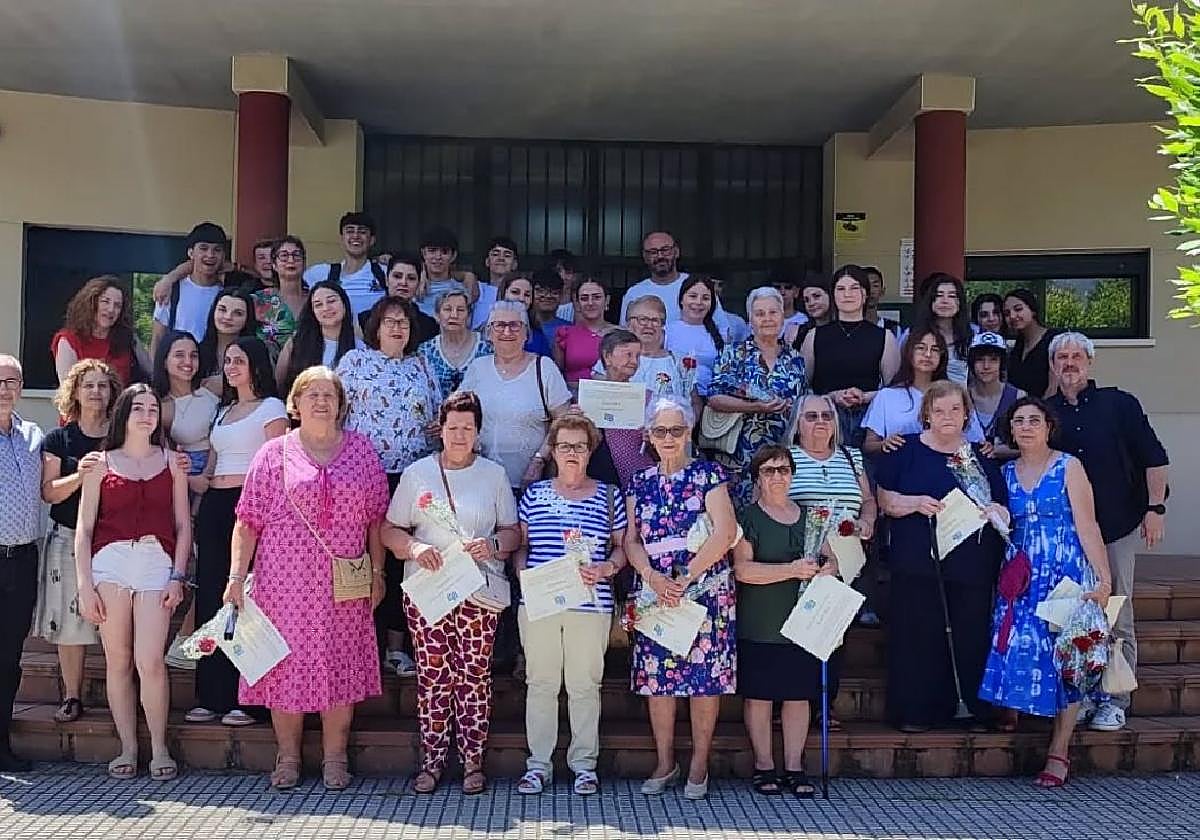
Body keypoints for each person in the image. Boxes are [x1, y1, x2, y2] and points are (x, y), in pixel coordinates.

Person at [224, 366, 390, 791]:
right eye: (310, 394)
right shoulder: (272, 454)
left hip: (345, 582)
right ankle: (289, 756)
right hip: (284, 584)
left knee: (340, 663)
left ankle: (336, 758)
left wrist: (377, 571)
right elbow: (247, 522)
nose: (320, 401)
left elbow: (376, 520)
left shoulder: (362, 451)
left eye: (329, 395)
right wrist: (236, 577)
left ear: (340, 405)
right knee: (284, 668)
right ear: (295, 406)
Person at [383, 392, 521, 795]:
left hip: (477, 590)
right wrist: (413, 548)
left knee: (474, 676)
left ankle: (473, 761)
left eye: (468, 427)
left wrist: (494, 545)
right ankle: (432, 762)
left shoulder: (493, 475)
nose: (460, 435)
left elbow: (513, 532)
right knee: (433, 678)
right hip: (429, 590)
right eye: (453, 427)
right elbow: (389, 529)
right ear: (440, 430)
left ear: (478, 432)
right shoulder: (417, 474)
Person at [978, 397, 1113, 787]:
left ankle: (1059, 749)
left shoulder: (1068, 466)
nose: (1026, 426)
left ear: (1049, 426)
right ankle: (1014, 708)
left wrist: (1103, 580)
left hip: (1065, 571)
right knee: (1019, 643)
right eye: (1018, 420)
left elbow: (1087, 525)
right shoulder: (1003, 472)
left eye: (1034, 420)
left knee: (1067, 654)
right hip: (1021, 574)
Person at [1048, 332, 1169, 732]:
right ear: (1053, 365)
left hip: (1117, 526)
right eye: (1061, 356)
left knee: (1116, 615)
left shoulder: (1120, 405)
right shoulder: (1044, 413)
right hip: (1068, 536)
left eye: (1076, 356)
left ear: (1090, 361)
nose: (1069, 363)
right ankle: (1081, 696)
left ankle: (1115, 699)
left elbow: (1154, 458)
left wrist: (1155, 509)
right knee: (1072, 616)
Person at [874, 381, 1009, 731]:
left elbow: (1002, 506)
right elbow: (884, 500)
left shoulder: (980, 457)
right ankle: (915, 711)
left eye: (955, 409)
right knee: (917, 634)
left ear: (966, 414)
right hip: (918, 560)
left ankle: (972, 710)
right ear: (927, 415)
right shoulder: (904, 451)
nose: (947, 416)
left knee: (971, 633)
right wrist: (916, 503)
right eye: (939, 410)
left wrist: (993, 511)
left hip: (971, 563)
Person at [75, 384, 191, 780]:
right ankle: (128, 747)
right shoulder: (99, 464)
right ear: (124, 413)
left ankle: (159, 749)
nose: (146, 414)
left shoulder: (174, 462)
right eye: (138, 407)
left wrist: (178, 575)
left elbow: (182, 525)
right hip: (110, 563)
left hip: (157, 563)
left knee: (151, 660)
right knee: (119, 661)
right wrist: (84, 584)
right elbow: (84, 529)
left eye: (153, 408)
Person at [625, 396, 738, 800]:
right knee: (660, 682)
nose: (668, 438)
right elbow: (631, 540)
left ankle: (699, 764)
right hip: (657, 592)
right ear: (649, 436)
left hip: (704, 590)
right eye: (660, 431)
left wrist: (686, 577)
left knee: (703, 680)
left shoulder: (709, 474)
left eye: (676, 430)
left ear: (688, 433)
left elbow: (725, 531)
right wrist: (653, 577)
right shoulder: (639, 482)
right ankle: (664, 761)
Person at [513, 415, 627, 796]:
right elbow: (523, 548)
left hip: (590, 604)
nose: (572, 453)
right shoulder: (533, 494)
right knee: (541, 684)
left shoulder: (609, 495)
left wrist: (608, 567)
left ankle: (584, 765)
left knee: (584, 686)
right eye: (565, 446)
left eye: (580, 446)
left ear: (590, 450)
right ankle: (538, 765)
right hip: (540, 603)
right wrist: (523, 575)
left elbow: (622, 549)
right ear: (554, 451)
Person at [339, 296, 442, 676]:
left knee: (401, 561)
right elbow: (335, 413)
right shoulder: (354, 362)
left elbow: (436, 417)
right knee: (363, 556)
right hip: (361, 474)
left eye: (403, 322)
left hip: (410, 477)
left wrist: (436, 428)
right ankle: (361, 644)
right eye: (389, 322)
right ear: (376, 328)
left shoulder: (422, 366)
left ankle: (397, 648)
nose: (397, 328)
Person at [187, 338, 287, 727]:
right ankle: (212, 695)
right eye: (227, 360)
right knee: (212, 596)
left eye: (239, 360)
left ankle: (250, 699)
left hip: (252, 510)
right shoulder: (223, 410)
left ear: (256, 365)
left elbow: (279, 467)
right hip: (215, 507)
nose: (231, 367)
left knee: (249, 600)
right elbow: (212, 467)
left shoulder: (272, 408)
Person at [733, 445, 837, 797]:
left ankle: (794, 766)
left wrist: (824, 570)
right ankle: (764, 765)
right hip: (761, 620)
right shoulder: (747, 517)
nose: (777, 476)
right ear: (758, 478)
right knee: (760, 697)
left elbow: (832, 560)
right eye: (769, 471)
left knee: (798, 696)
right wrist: (791, 570)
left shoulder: (811, 516)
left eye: (783, 469)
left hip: (804, 625)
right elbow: (743, 569)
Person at [35, 360, 119, 724]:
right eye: (89, 386)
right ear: (75, 391)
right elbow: (49, 493)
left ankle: (125, 697)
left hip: (114, 540)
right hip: (67, 537)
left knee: (118, 621)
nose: (96, 392)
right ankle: (71, 695)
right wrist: (80, 476)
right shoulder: (59, 439)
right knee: (69, 624)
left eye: (103, 386)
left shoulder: (120, 435)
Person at [786, 392, 878, 695]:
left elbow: (867, 500)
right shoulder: (785, 458)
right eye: (811, 416)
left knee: (834, 630)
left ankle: (826, 704)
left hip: (845, 558)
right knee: (799, 632)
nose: (820, 422)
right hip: (801, 560)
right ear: (798, 423)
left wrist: (866, 523)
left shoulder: (851, 457)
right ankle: (795, 701)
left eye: (827, 416)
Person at [708, 286, 809, 506]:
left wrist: (791, 406)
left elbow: (803, 402)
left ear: (783, 317)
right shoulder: (733, 354)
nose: (767, 319)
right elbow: (714, 398)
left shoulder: (795, 359)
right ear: (750, 320)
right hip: (740, 457)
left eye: (773, 312)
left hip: (783, 456)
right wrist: (756, 407)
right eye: (760, 314)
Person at [460, 302, 572, 491]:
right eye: (499, 325)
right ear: (489, 332)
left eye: (514, 325)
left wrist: (539, 460)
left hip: (531, 481)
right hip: (481, 480)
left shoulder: (544, 368)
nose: (506, 331)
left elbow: (564, 419)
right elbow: (461, 413)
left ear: (526, 333)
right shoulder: (477, 368)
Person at [799, 265, 900, 447]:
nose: (848, 294)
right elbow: (802, 386)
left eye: (854, 288)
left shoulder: (885, 337)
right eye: (841, 289)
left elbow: (893, 390)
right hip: (826, 417)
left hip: (869, 418)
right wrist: (832, 396)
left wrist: (864, 396)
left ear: (865, 294)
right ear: (833, 295)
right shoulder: (814, 336)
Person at [0, 355, 42, 772]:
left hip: (23, 558)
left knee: (10, 655)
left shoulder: (33, 436)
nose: (5, 389)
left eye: (13, 381)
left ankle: (2, 743)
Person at [861, 328, 985, 458]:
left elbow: (976, 441)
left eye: (935, 349)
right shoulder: (886, 396)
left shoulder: (956, 395)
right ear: (909, 352)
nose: (928, 354)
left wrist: (986, 447)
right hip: (902, 469)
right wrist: (884, 444)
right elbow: (868, 445)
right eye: (921, 348)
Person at [585, 330, 656, 489]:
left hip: (639, 478)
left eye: (637, 356)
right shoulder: (589, 395)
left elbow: (657, 449)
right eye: (628, 354)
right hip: (600, 478)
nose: (634, 361)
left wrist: (653, 438)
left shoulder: (648, 398)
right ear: (607, 357)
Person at [151, 222, 229, 358]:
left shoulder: (228, 294)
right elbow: (158, 338)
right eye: (203, 248)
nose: (210, 255)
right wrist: (155, 375)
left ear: (223, 255)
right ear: (191, 253)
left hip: (212, 373)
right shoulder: (172, 290)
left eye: (217, 250)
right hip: (177, 369)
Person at [52, 276, 144, 386]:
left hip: (120, 402)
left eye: (117, 305)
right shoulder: (68, 340)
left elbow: (152, 371)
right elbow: (68, 390)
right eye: (105, 301)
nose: (111, 309)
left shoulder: (127, 338)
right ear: (91, 303)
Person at [275, 280, 363, 395]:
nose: (326, 308)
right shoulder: (297, 342)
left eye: (331, 301)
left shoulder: (360, 348)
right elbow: (280, 383)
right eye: (318, 305)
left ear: (344, 305)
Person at [154, 331, 220, 482]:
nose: (188, 361)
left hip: (227, 463)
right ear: (164, 361)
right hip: (193, 473)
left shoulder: (212, 388)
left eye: (193, 355)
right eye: (179, 355)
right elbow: (164, 457)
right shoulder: (163, 408)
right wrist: (190, 481)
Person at [301, 211, 386, 318]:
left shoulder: (385, 273)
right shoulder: (321, 273)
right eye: (350, 231)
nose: (355, 236)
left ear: (372, 240)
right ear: (341, 238)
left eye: (362, 232)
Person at [664, 274, 731, 398]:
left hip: (711, 401)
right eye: (693, 296)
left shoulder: (720, 335)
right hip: (674, 399)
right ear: (681, 299)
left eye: (705, 298)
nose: (698, 302)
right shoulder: (666, 332)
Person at [906, 273, 977, 385]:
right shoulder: (913, 334)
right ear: (931, 301)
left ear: (959, 303)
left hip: (959, 398)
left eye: (952, 296)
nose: (945, 301)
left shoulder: (974, 335)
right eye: (939, 295)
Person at [419, 289, 491, 396]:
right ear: (437, 315)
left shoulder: (487, 347)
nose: (454, 315)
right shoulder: (425, 351)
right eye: (447, 309)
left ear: (469, 316)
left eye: (461, 310)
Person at [967, 331, 1024, 458]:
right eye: (980, 360)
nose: (986, 366)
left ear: (1002, 363)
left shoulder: (1018, 397)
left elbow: (1029, 445)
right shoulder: (962, 397)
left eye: (993, 360)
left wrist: (1000, 451)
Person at [555, 277, 617, 390]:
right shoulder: (565, 334)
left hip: (611, 397)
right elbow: (557, 374)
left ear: (607, 300)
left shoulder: (621, 334)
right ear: (577, 304)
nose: (590, 303)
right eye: (584, 298)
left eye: (596, 297)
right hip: (573, 399)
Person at [618, 231, 690, 324]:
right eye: (653, 252)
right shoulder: (634, 293)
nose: (660, 256)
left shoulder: (696, 286)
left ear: (676, 252)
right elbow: (626, 333)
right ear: (645, 256)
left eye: (665, 250)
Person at [254, 236, 307, 358]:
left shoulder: (315, 300)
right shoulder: (259, 300)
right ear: (274, 264)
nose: (290, 260)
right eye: (284, 255)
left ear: (304, 263)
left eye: (296, 255)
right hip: (267, 368)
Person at [1003, 289, 1062, 398]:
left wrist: (1041, 412)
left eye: (1018, 309)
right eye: (1007, 313)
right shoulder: (1017, 347)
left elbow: (1054, 386)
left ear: (1033, 310)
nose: (1012, 316)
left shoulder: (1055, 340)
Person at [198, 289, 260, 390]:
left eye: (238, 313)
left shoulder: (257, 353)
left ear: (247, 318)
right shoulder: (197, 351)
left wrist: (224, 383)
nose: (228, 317)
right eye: (222, 310)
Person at [379, 251, 440, 343]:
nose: (403, 282)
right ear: (386, 280)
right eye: (397, 276)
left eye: (411, 278)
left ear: (419, 283)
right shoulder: (366, 320)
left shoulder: (429, 326)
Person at [416, 226, 474, 316]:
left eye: (444, 252)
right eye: (432, 251)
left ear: (453, 256)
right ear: (424, 253)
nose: (438, 257)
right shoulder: (412, 286)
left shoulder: (461, 290)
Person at [470, 236, 520, 330]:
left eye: (507, 255)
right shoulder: (477, 288)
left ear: (514, 264)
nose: (501, 258)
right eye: (495, 254)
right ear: (487, 261)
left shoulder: (520, 292)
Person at [501, 273, 554, 357]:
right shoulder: (487, 331)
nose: (521, 299)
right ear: (504, 293)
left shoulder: (539, 338)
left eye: (527, 295)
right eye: (515, 292)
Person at [785, 272, 833, 347]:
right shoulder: (799, 333)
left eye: (816, 296)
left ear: (830, 296)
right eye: (806, 300)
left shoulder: (843, 330)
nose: (811, 303)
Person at [530, 268, 571, 347]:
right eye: (541, 291)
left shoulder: (569, 330)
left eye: (554, 292)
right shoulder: (520, 326)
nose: (548, 296)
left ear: (562, 295)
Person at [770, 262, 808, 336]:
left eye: (788, 287)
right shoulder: (762, 321)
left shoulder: (804, 321)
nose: (782, 292)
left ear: (796, 292)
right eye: (777, 287)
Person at [863, 266, 902, 334]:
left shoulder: (894, 329)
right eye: (866, 285)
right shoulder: (849, 329)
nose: (871, 291)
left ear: (882, 291)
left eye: (875, 286)